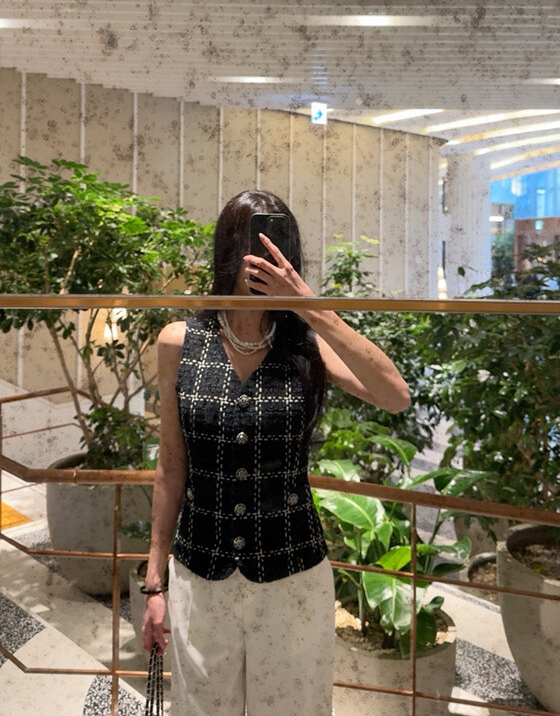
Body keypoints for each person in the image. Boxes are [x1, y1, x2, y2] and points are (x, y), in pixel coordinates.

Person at [142, 190, 410, 716]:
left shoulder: (307, 342)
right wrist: (154, 583)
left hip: (293, 576)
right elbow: (171, 466)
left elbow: (395, 396)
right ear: (227, 251)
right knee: (203, 709)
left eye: (276, 242)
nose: (263, 255)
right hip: (201, 574)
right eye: (250, 241)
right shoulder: (180, 341)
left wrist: (309, 305)